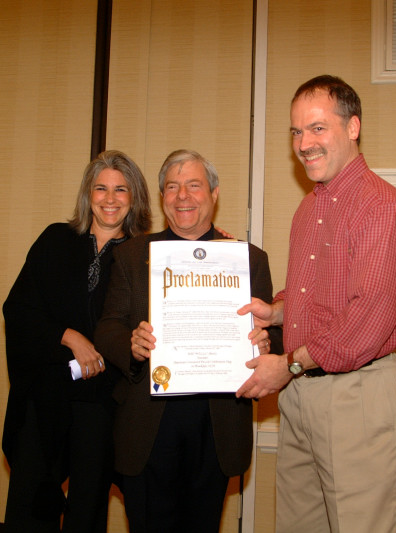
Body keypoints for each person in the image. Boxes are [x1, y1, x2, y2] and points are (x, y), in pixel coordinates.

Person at [236, 75, 396, 532]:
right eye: (296, 132)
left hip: (354, 394)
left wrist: (289, 365)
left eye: (317, 128)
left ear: (352, 127)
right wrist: (275, 312)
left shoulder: (381, 206)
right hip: (302, 394)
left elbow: (368, 320)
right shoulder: (309, 209)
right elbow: (316, 297)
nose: (304, 144)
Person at [94, 149, 279, 533]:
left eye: (194, 186)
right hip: (148, 427)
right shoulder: (131, 256)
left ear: (213, 194)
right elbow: (107, 325)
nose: (183, 196)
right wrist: (130, 342)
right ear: (162, 197)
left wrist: (264, 344)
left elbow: (273, 333)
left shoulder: (249, 260)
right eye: (172, 187)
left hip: (217, 427)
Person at [2, 150, 152, 532]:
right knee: (31, 502)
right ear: (87, 194)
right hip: (46, 395)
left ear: (135, 197)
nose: (110, 198)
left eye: (121, 189)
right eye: (100, 188)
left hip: (101, 404)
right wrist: (69, 338)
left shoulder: (144, 257)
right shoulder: (55, 240)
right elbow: (18, 310)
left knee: (87, 510)